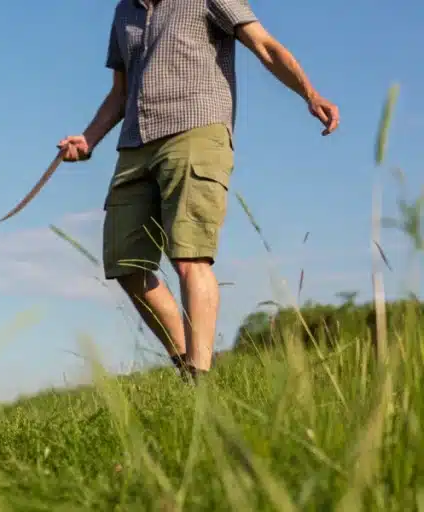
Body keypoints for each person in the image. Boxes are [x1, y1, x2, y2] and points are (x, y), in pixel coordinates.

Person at [58, 0, 338, 383]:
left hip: (196, 127)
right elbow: (120, 92)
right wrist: (89, 139)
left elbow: (263, 44)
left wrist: (310, 93)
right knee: (126, 263)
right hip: (136, 140)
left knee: (189, 256)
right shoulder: (124, 10)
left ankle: (199, 377)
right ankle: (188, 367)